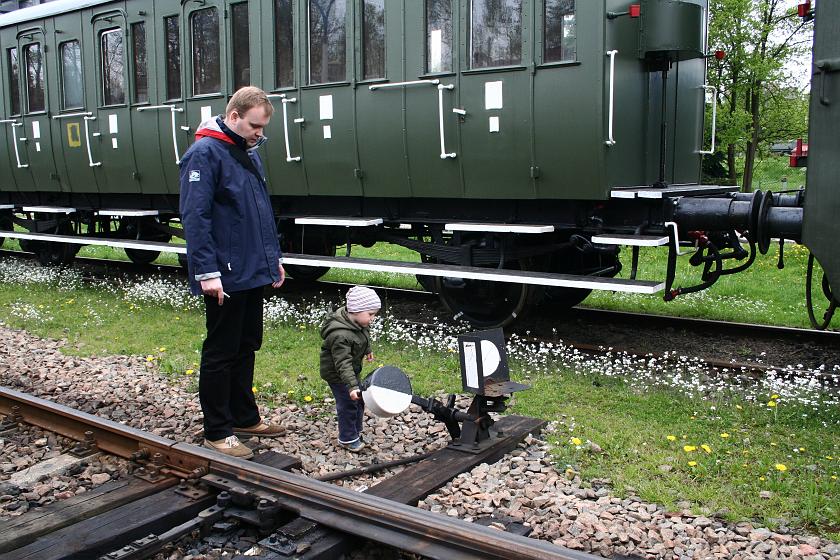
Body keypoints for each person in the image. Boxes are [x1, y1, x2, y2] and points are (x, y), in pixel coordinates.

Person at [179, 86, 286, 459]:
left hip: (251, 269)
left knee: (246, 344)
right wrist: (206, 272)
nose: (260, 133)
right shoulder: (204, 154)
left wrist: (273, 259)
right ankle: (217, 430)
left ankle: (243, 416)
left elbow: (258, 213)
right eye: (255, 125)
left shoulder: (245, 152)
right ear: (234, 116)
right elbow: (196, 218)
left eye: (263, 127)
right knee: (221, 351)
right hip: (224, 273)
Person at [319, 286, 381, 452]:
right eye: (371, 314)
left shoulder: (356, 322)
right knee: (348, 403)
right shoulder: (340, 335)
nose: (373, 318)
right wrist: (352, 387)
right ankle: (347, 438)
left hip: (350, 372)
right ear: (356, 310)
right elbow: (342, 363)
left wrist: (367, 349)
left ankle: (356, 428)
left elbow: (363, 334)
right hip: (338, 374)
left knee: (360, 399)